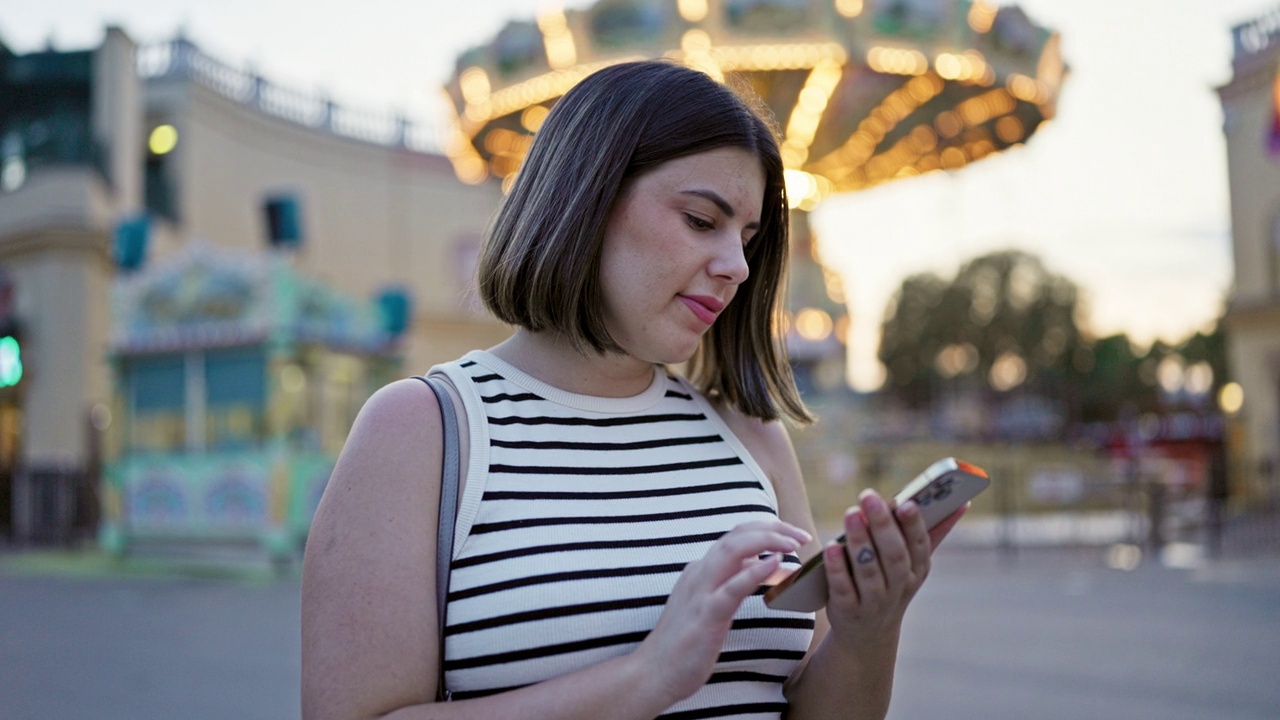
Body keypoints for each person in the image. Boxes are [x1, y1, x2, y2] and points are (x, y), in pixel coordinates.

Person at [301, 59, 965, 720]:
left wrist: (867, 632)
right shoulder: (426, 430)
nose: (736, 267)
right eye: (703, 221)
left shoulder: (749, 436)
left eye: (748, 238)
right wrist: (646, 677)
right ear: (586, 199)